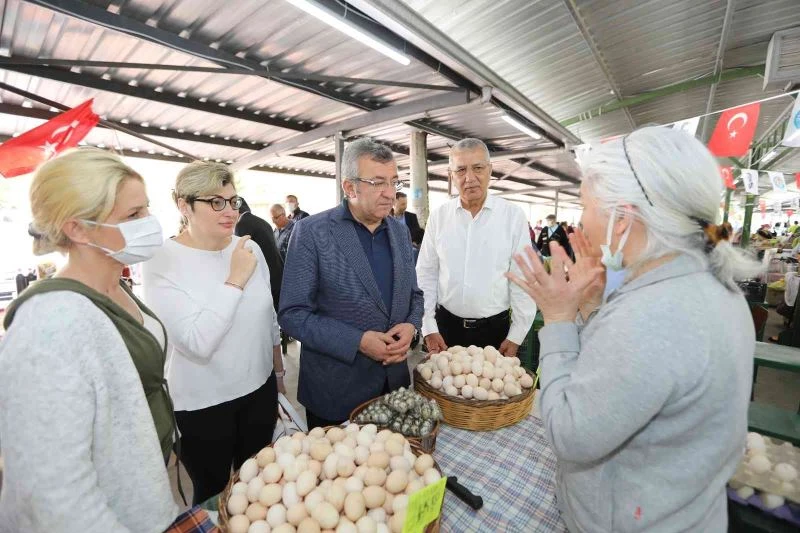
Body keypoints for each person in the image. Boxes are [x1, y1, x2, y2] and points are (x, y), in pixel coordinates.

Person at [507, 127, 758, 532]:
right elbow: (625, 383)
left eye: (585, 205)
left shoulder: (654, 314)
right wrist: (591, 309)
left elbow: (569, 432)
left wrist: (557, 320)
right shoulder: (708, 285)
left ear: (622, 219)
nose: (583, 222)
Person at [0, 148, 179, 532]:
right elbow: (55, 498)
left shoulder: (116, 286)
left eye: (146, 209)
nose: (148, 223)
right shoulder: (49, 326)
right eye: (132, 216)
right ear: (77, 228)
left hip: (142, 505)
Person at [143, 161, 283, 505]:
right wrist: (234, 279)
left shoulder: (249, 249)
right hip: (204, 406)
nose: (229, 211)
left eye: (233, 201)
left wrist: (278, 376)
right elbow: (197, 343)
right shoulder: (161, 260)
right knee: (215, 497)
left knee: (261, 491)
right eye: (215, 202)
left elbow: (268, 319)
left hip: (259, 391)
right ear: (183, 205)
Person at [279, 138, 423, 429]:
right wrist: (357, 342)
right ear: (349, 187)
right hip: (337, 392)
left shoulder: (398, 230)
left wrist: (412, 325)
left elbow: (414, 295)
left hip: (394, 387)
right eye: (377, 182)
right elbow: (292, 315)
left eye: (393, 182)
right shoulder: (311, 233)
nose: (389, 194)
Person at [416, 138, 536, 356]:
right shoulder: (439, 217)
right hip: (445, 329)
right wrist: (428, 327)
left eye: (478, 168)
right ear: (451, 175)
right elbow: (426, 274)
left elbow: (522, 278)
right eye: (461, 170)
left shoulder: (512, 216)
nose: (469, 178)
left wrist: (517, 334)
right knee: (441, 388)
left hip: (495, 333)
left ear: (490, 170)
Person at [235, 197, 284, 312]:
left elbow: (241, 254)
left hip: (267, 277)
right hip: (278, 273)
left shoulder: (242, 224)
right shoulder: (261, 221)